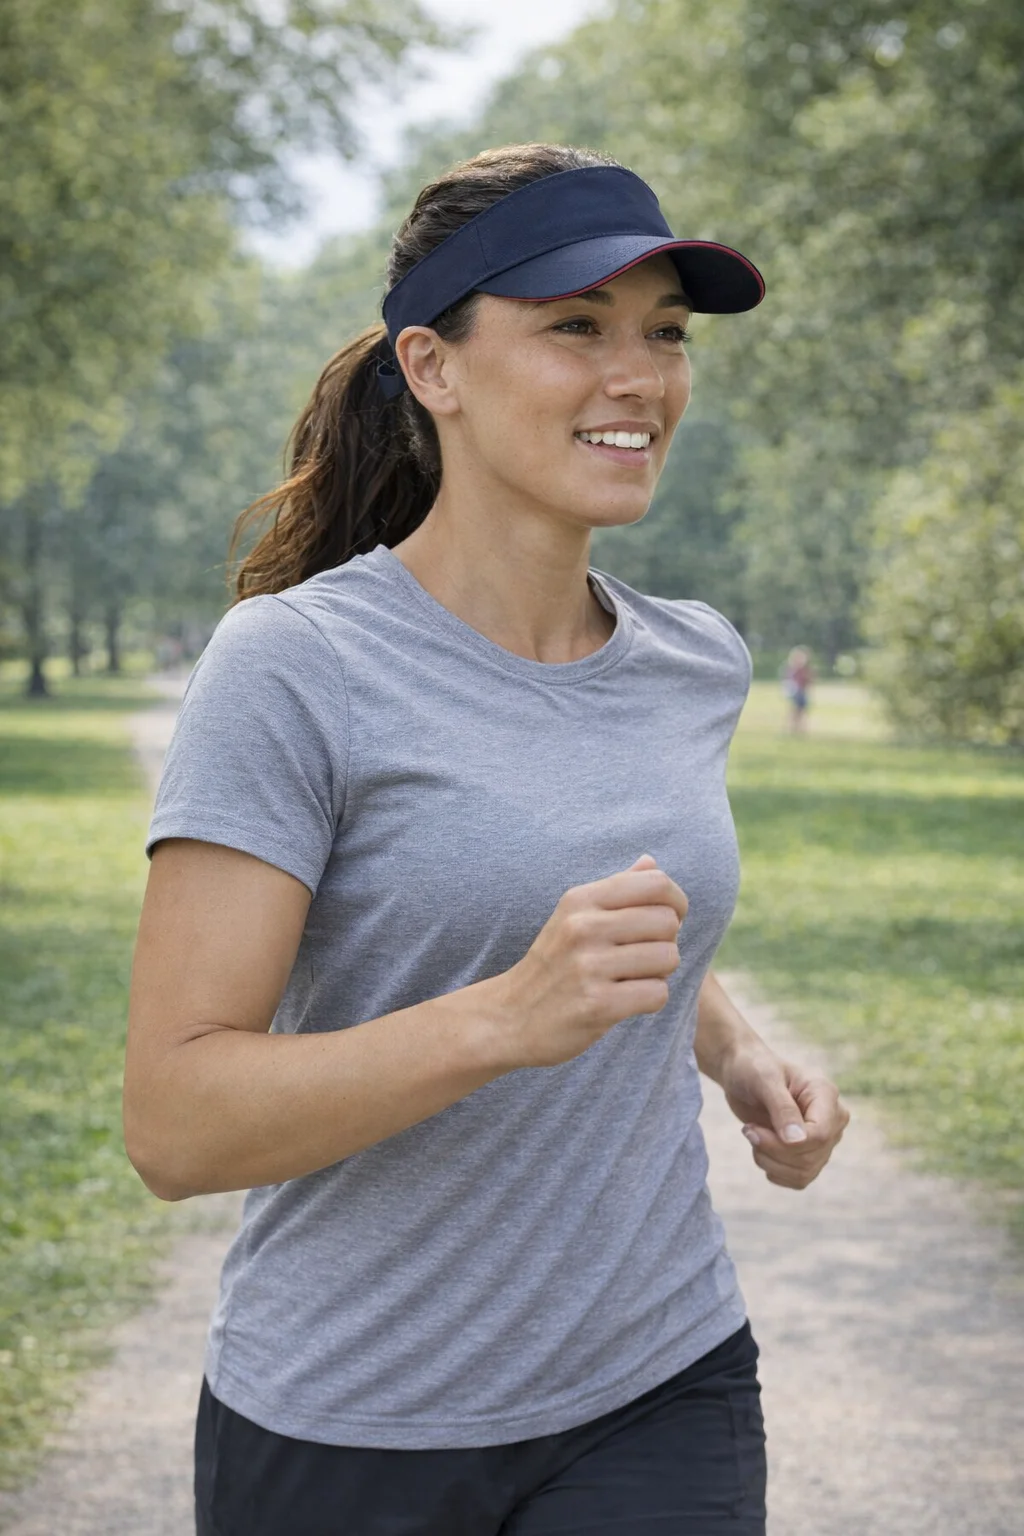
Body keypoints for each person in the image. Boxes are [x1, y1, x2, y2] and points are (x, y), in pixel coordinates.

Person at [123, 143, 849, 1536]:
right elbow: (173, 1121)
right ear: (434, 367)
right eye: (575, 327)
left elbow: (613, 906)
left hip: (661, 1374)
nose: (638, 378)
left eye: (665, 336)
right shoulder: (295, 668)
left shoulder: (695, 661)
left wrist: (738, 1050)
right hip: (353, 1417)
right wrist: (508, 1018)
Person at [782, 645, 814, 735]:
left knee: (802, 711)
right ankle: (793, 728)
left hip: (802, 692)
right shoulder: (794, 670)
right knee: (795, 711)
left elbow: (809, 681)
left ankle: (801, 729)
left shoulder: (805, 670)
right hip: (797, 693)